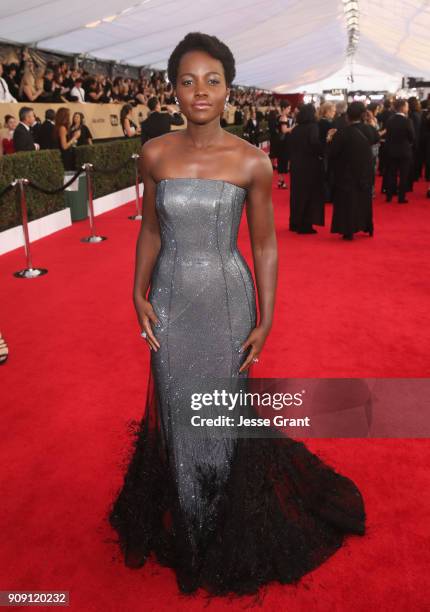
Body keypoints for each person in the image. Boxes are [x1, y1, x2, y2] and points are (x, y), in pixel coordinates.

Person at [107, 31, 366, 597]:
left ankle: (221, 521)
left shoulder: (252, 160)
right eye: (187, 80)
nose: (200, 91)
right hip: (171, 300)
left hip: (227, 299)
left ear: (229, 87)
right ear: (172, 88)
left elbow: (266, 245)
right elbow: (151, 229)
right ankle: (189, 517)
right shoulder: (154, 154)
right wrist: (136, 291)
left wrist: (266, 317)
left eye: (212, 80)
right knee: (176, 403)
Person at [328, 101, 374, 240]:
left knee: (347, 203)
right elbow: (375, 140)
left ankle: (348, 230)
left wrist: (330, 139)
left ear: (348, 115)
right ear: (362, 115)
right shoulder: (369, 130)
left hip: (346, 174)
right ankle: (366, 226)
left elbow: (333, 153)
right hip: (365, 172)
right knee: (364, 200)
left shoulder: (342, 133)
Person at [289, 103, 325, 234]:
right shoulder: (313, 127)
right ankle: (305, 224)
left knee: (297, 194)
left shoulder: (296, 129)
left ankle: (294, 222)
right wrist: (323, 151)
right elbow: (314, 143)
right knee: (309, 194)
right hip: (310, 165)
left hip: (296, 165)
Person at [384, 98, 415, 204]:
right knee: (403, 175)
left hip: (392, 151)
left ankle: (389, 196)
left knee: (391, 174)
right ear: (402, 108)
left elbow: (388, 136)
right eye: (407, 106)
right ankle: (401, 198)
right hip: (404, 151)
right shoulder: (407, 121)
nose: (408, 108)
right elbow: (412, 136)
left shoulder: (390, 120)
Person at [276, 99, 293, 188]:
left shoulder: (280, 116)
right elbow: (284, 130)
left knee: (282, 161)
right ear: (283, 108)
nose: (289, 110)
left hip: (282, 142)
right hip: (283, 143)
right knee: (282, 161)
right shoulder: (283, 117)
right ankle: (281, 182)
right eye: (288, 108)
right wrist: (293, 128)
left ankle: (280, 181)